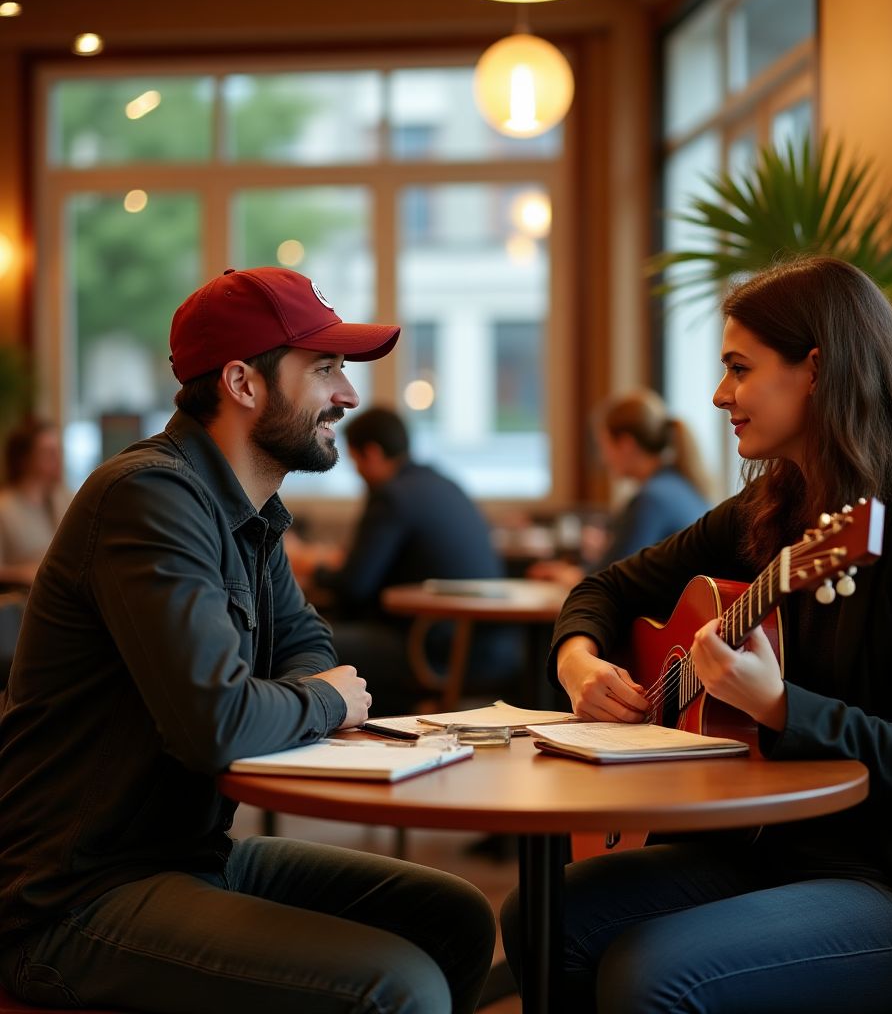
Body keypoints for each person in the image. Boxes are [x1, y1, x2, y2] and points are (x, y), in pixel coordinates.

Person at [501, 256, 892, 1013]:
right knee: (543, 918)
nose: (719, 396)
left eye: (739, 369)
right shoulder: (770, 512)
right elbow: (606, 587)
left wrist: (781, 707)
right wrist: (579, 665)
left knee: (654, 974)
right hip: (771, 845)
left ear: (816, 369)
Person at [0, 266, 495, 1013]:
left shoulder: (250, 513)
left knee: (452, 917)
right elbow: (218, 724)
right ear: (241, 382)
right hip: (75, 896)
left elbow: (309, 644)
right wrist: (323, 701)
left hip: (189, 857)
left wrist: (306, 690)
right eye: (325, 369)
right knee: (399, 987)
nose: (349, 396)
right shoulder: (151, 499)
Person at [295, 405, 520, 714]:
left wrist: (312, 568)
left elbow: (354, 586)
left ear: (372, 454)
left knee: (302, 643)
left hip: (431, 647)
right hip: (486, 644)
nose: (356, 470)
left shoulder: (392, 496)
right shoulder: (443, 483)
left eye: (355, 459)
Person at [528, 389, 712, 588]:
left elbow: (611, 580)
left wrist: (565, 576)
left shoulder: (651, 500)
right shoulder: (678, 487)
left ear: (626, 444)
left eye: (603, 445)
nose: (603, 459)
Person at [0, 416, 71, 587]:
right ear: (24, 459)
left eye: (58, 451)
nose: (58, 459)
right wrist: (34, 574)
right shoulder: (5, 509)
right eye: (49, 452)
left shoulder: (65, 499)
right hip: (25, 602)